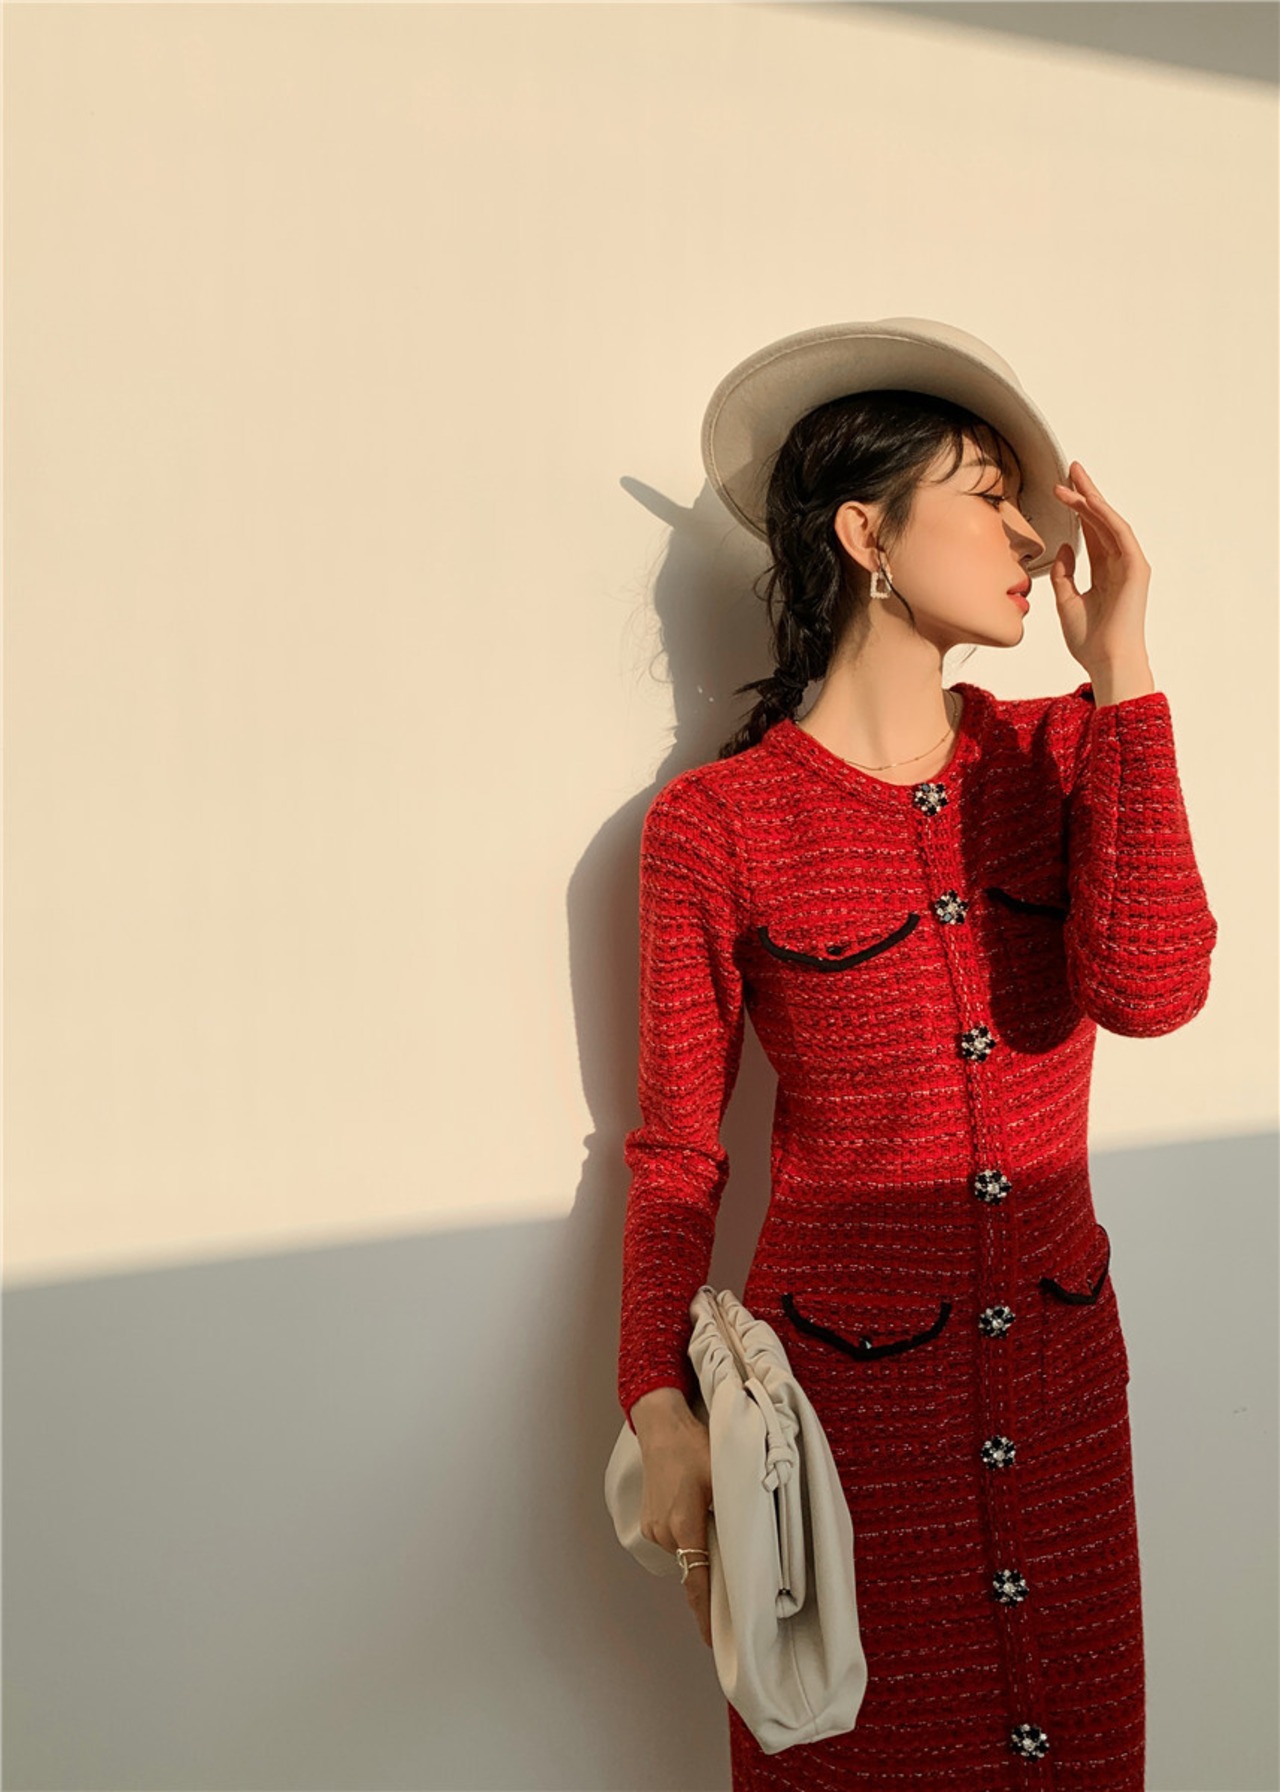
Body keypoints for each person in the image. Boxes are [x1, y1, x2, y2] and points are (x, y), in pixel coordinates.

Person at [615, 319, 1219, 1789]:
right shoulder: (717, 828)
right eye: (987, 496)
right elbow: (677, 1152)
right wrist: (655, 1400)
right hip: (842, 1445)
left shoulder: (1064, 757)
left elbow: (1153, 991)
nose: (1031, 538)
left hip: (1063, 1416)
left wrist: (1124, 670)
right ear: (866, 533)